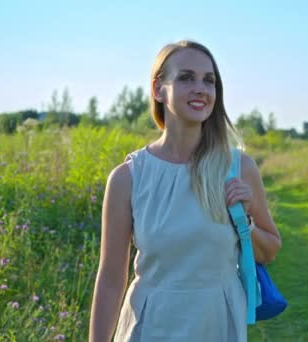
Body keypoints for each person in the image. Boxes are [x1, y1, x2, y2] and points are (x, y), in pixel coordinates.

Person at [89, 40, 282, 341]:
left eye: (209, 81)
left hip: (217, 326)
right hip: (149, 328)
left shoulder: (238, 168)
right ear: (158, 89)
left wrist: (245, 222)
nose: (201, 89)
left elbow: (269, 250)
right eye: (186, 77)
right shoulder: (128, 178)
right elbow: (111, 279)